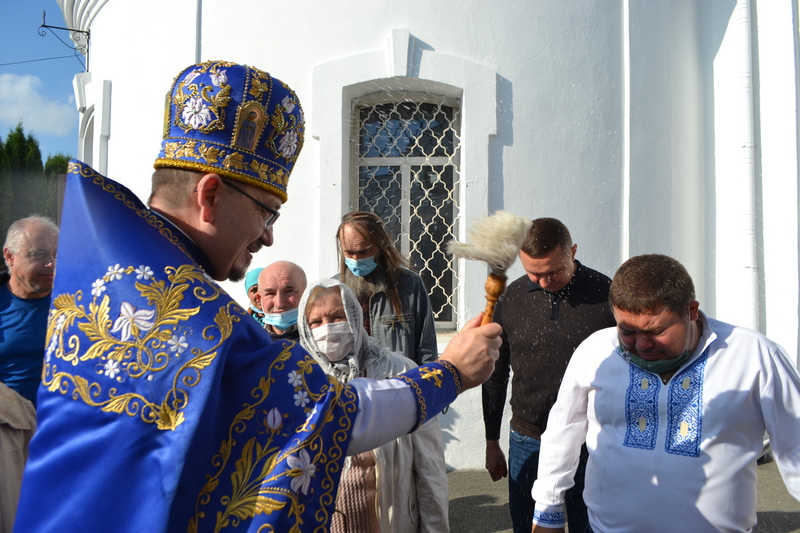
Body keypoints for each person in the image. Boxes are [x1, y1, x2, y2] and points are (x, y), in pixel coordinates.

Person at [14, 60, 501, 533]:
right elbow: (328, 416)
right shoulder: (191, 318)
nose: (267, 237)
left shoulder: (113, 274)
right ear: (209, 196)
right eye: (267, 211)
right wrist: (450, 375)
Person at [530, 254, 800, 533]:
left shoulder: (754, 356)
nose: (642, 344)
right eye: (627, 330)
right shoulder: (595, 352)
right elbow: (564, 431)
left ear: (691, 311)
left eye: (656, 331)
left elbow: (796, 445)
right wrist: (548, 510)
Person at [481, 218, 615, 533]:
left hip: (590, 441)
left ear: (573, 252)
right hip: (528, 437)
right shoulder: (511, 298)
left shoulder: (607, 295)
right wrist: (491, 441)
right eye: (533, 273)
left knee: (589, 525)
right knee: (527, 525)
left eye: (553, 271)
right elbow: (495, 374)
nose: (543, 282)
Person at [298, 278, 449, 532]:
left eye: (337, 317)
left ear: (355, 317)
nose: (327, 329)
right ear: (305, 329)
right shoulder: (301, 384)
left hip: (391, 522)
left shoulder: (401, 372)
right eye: (317, 322)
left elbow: (430, 468)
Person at [0, 216, 58, 533]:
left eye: (56, 254)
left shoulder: (79, 305)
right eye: (37, 254)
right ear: (10, 256)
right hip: (7, 441)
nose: (51, 263)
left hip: (61, 439)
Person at [336, 211, 438, 366]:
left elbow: (427, 350)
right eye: (349, 253)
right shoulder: (334, 289)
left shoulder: (410, 285)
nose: (356, 259)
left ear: (380, 246)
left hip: (398, 384)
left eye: (364, 251)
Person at [257, 260, 306, 342]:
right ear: (259, 299)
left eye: (289, 291)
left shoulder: (321, 340)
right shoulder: (251, 345)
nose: (279, 303)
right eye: (270, 293)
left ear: (305, 294)